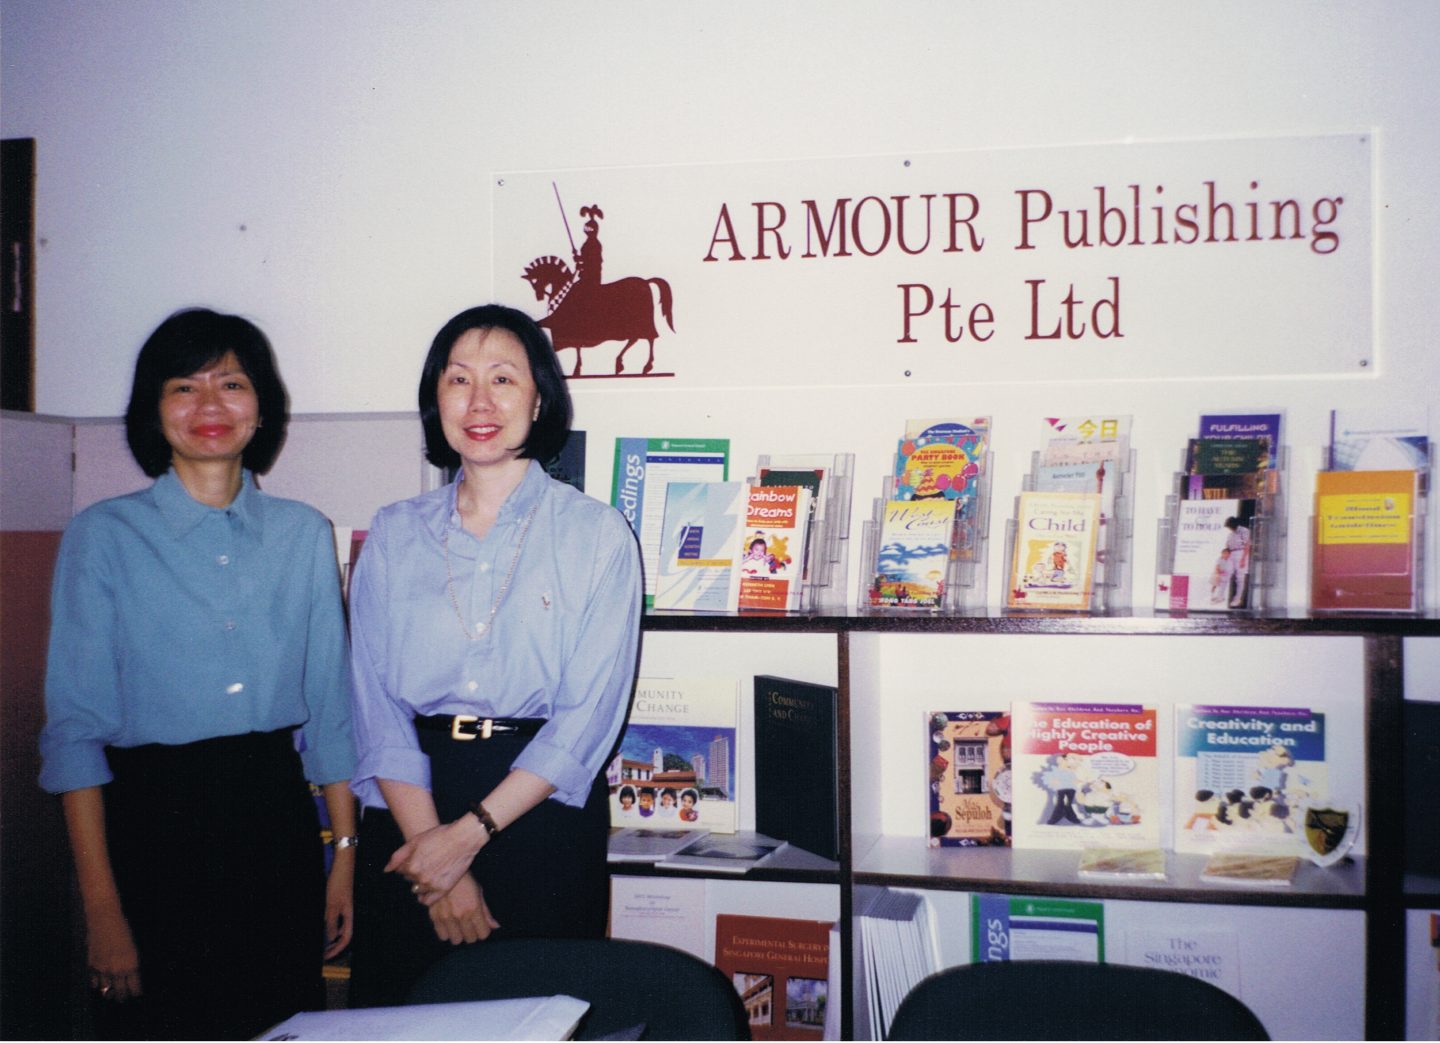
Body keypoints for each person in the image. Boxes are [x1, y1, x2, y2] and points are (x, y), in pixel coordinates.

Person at [37, 308, 356, 1040]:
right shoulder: (104, 535)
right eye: (184, 386)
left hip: (273, 824)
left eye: (232, 384)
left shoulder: (304, 533)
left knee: (278, 1023)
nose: (210, 407)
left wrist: (343, 857)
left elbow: (330, 710)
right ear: (155, 408)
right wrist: (102, 908)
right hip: (150, 828)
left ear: (261, 406)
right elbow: (76, 734)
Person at [347, 304, 642, 1006]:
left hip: (536, 818)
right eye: (459, 380)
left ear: (538, 398)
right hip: (410, 807)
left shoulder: (597, 535)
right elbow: (373, 705)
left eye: (503, 379)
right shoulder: (393, 533)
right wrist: (436, 853)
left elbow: (585, 720)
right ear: (436, 399)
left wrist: (470, 836)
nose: (480, 402)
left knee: (535, 1013)